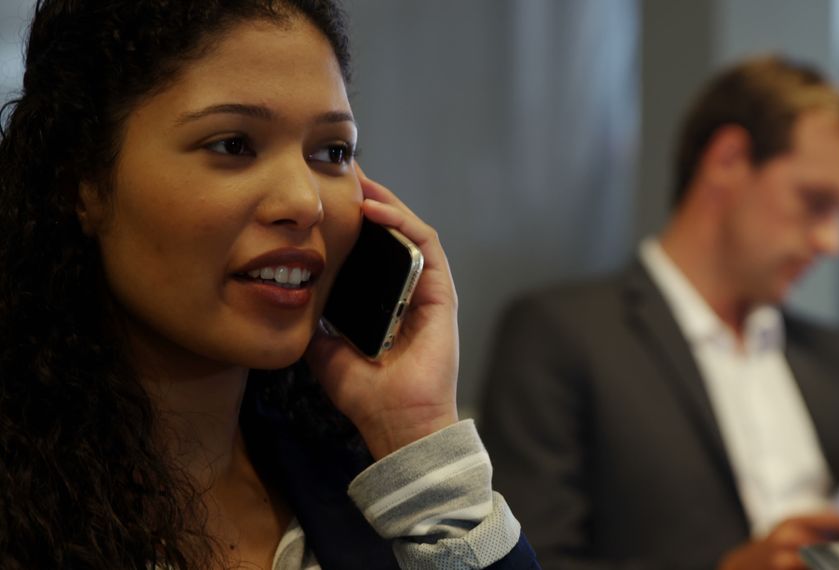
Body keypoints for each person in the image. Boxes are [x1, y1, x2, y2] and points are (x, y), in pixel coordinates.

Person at [0, 2, 538, 569]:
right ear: (80, 182)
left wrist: (417, 437)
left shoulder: (363, 487)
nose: (305, 202)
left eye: (332, 152)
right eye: (233, 145)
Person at [479, 56, 839, 570]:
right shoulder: (560, 333)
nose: (833, 241)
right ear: (727, 161)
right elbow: (536, 562)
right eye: (816, 203)